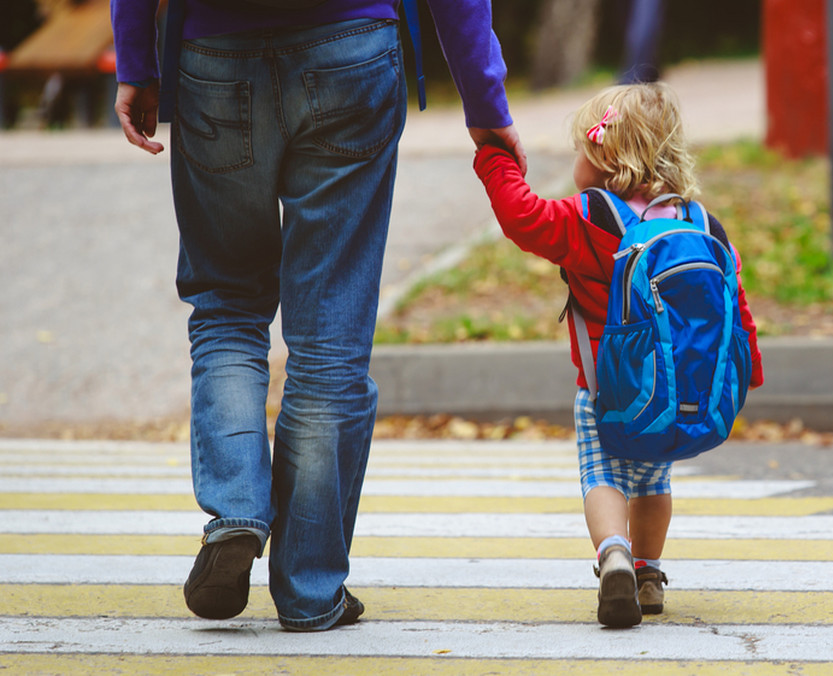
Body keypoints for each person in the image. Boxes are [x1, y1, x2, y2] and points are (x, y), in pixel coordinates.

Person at [111, 0, 525, 632]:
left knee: (226, 305)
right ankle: (309, 591)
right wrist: (484, 102)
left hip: (215, 54)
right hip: (351, 49)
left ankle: (237, 513)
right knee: (329, 336)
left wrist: (136, 61)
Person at [473, 82, 764, 628]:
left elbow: (521, 216)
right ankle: (650, 572)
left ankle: (614, 557)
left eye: (580, 150)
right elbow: (733, 297)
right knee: (654, 482)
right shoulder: (701, 225)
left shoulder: (591, 218)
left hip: (605, 391)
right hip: (672, 392)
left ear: (605, 159)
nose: (574, 162)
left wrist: (494, 159)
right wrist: (748, 366)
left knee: (602, 476)